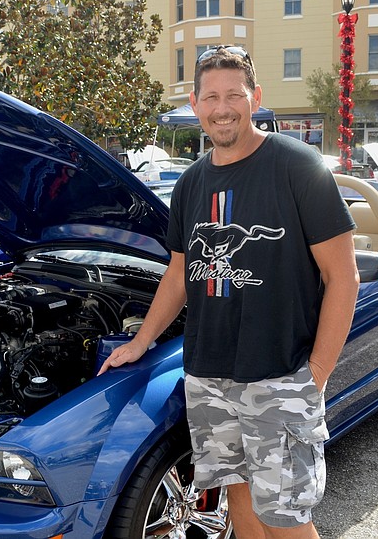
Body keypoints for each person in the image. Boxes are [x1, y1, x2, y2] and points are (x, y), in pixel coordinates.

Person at [98, 46, 360, 539]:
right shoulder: (191, 183)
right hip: (209, 375)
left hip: (280, 374)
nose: (223, 107)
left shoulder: (298, 166)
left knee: (285, 516)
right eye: (211, 97)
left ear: (256, 97)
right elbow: (179, 273)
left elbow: (343, 278)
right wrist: (141, 341)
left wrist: (317, 375)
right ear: (194, 104)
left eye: (234, 95)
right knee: (236, 492)